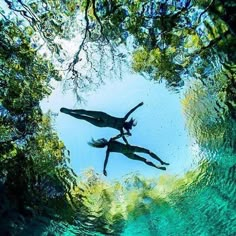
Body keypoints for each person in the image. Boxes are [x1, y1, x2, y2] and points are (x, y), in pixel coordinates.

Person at [60, 102, 143, 143]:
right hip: (103, 123)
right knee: (85, 116)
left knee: (85, 114)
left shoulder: (122, 124)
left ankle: (69, 112)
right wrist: (127, 135)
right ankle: (69, 112)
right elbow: (124, 138)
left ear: (128, 124)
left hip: (104, 119)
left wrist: (138, 105)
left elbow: (130, 111)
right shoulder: (121, 127)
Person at [88, 134, 169, 176]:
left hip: (127, 155)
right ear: (103, 140)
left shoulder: (109, 150)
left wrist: (104, 169)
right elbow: (119, 135)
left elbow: (106, 160)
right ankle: (161, 162)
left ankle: (156, 167)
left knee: (144, 160)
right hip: (129, 148)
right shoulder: (111, 140)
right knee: (148, 151)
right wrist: (125, 134)